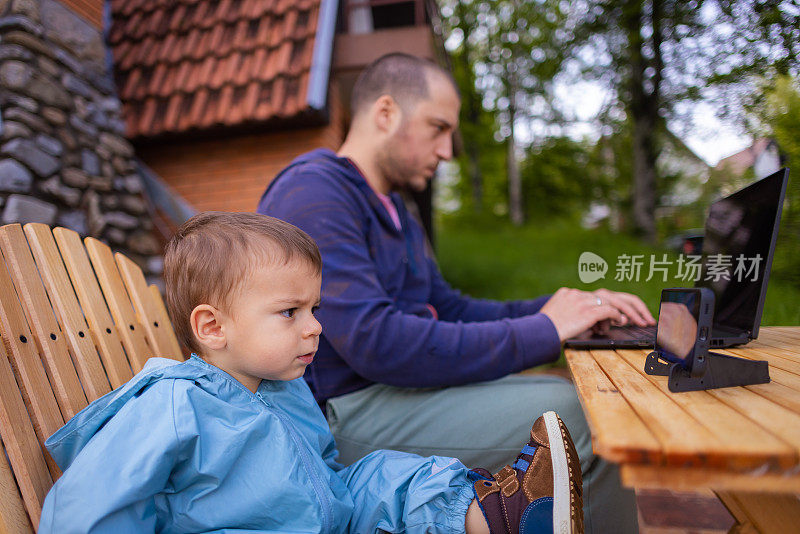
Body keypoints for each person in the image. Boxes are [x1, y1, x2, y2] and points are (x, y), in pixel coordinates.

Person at [257, 53, 656, 533]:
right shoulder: (315, 192)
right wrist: (545, 330)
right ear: (386, 113)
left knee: (577, 397)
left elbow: (449, 309)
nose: (447, 151)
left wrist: (568, 309)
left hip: (395, 394)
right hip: (340, 415)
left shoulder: (399, 211)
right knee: (578, 416)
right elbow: (375, 341)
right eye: (438, 128)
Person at [38, 212, 583, 534]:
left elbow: (327, 484)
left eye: (315, 309)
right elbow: (90, 509)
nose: (315, 327)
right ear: (212, 326)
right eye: (290, 312)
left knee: (378, 475)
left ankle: (505, 514)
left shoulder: (285, 389)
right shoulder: (172, 404)